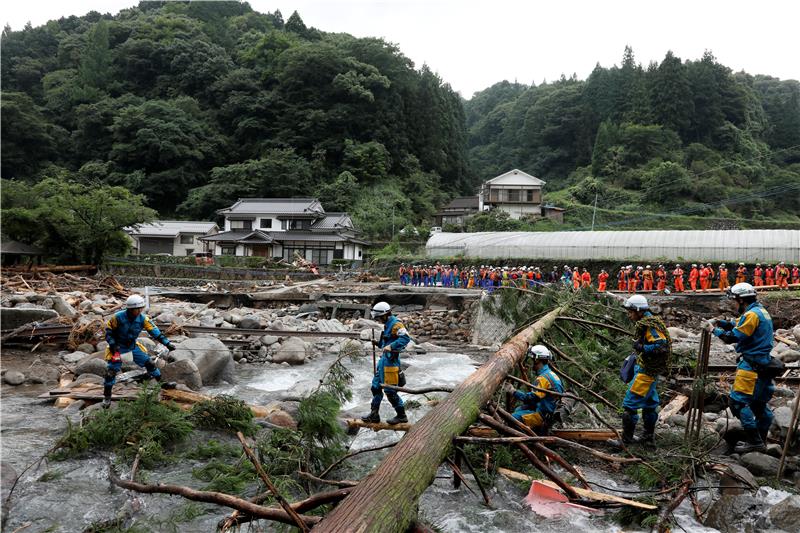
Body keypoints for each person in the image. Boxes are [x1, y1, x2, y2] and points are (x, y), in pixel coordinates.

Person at [707, 283, 774, 453]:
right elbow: (739, 324)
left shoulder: (751, 315)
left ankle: (754, 441)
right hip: (764, 364)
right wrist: (721, 322)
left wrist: (713, 330)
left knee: (737, 403)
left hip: (751, 366)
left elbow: (733, 337)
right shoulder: (760, 311)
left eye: (735, 301)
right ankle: (761, 440)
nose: (735, 305)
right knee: (759, 404)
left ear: (741, 300)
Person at [613, 294, 671, 445]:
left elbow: (661, 345)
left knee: (629, 405)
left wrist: (641, 347)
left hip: (646, 372)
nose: (629, 314)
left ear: (639, 310)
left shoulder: (649, 325)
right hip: (649, 370)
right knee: (650, 405)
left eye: (630, 311)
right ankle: (648, 439)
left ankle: (626, 442)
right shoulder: (648, 321)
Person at [103, 294, 176, 408]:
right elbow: (108, 332)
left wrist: (167, 343)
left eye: (141, 308)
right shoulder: (117, 317)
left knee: (150, 363)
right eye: (137, 309)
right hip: (117, 348)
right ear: (131, 309)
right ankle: (107, 397)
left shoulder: (143, 319)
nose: (140, 311)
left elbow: (155, 331)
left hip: (132, 346)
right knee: (110, 372)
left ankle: (162, 384)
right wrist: (113, 344)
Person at [362, 302, 411, 425]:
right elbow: (386, 344)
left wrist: (392, 346)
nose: (378, 320)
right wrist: (377, 343)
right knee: (375, 387)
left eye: (379, 318)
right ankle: (374, 414)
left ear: (386, 315)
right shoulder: (387, 325)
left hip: (391, 363)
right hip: (383, 362)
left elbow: (405, 338)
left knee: (390, 391)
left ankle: (401, 415)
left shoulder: (396, 324)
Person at [504, 345, 564, 433]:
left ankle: (526, 439)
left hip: (543, 415)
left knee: (512, 418)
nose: (531, 363)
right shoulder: (551, 374)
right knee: (519, 409)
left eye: (532, 360)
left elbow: (530, 398)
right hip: (548, 411)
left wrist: (513, 391)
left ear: (537, 360)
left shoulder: (543, 378)